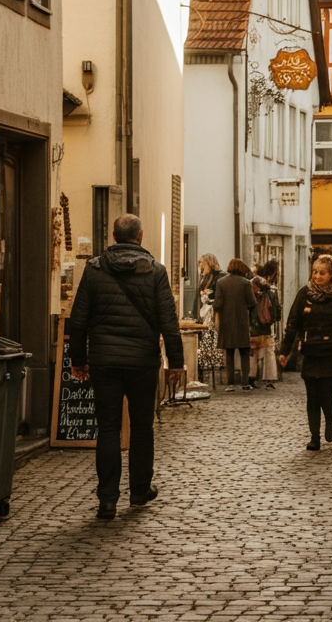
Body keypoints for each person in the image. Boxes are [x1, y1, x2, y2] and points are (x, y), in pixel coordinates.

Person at [67, 214, 184, 520]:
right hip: (142, 362)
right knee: (142, 427)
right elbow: (169, 321)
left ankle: (107, 499)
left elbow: (78, 319)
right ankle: (139, 490)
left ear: (114, 236)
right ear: (140, 236)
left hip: (104, 361)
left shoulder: (94, 269)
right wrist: (176, 363)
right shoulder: (155, 271)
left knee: (108, 427)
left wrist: (78, 359)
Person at [277, 254, 332, 450]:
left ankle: (330, 422)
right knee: (312, 396)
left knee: (328, 393)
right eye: (315, 272)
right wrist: (285, 351)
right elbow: (292, 323)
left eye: (322, 273)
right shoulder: (304, 294)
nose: (317, 276)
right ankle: (314, 437)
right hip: (311, 351)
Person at [213, 258, 256, 391]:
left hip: (226, 321)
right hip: (242, 320)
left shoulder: (221, 282)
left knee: (229, 352)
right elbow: (252, 302)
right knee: (244, 352)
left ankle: (230, 383)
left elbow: (217, 303)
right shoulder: (245, 283)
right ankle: (245, 382)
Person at [249, 259, 282, 389]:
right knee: (269, 350)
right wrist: (276, 317)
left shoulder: (253, 283)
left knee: (253, 350)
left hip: (253, 322)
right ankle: (269, 377)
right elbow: (276, 307)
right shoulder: (271, 288)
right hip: (266, 323)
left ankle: (251, 377)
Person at [196, 253, 223, 318]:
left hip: (212, 309)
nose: (201, 266)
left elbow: (218, 293)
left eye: (202, 263)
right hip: (205, 308)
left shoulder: (218, 276)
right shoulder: (205, 276)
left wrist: (207, 293)